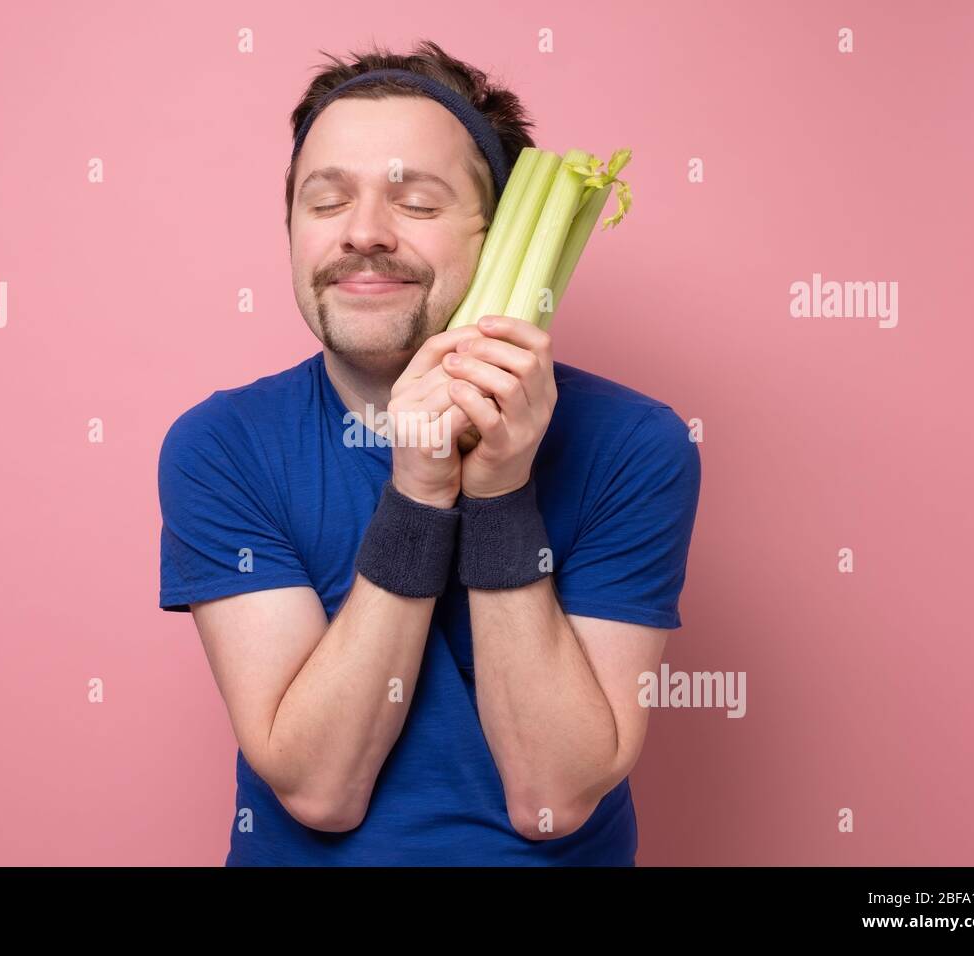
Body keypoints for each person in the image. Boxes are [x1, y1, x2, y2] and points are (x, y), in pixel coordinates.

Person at [158, 40, 701, 865]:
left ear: (498, 232)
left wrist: (500, 489)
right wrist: (418, 489)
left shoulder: (635, 446)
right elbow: (318, 790)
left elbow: (552, 799)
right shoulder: (223, 447)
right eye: (325, 200)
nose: (363, 235)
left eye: (416, 203)